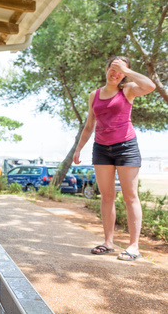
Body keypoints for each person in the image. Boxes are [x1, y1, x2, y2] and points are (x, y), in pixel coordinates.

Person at [73, 56, 156, 261]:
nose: (116, 73)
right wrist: (78, 149)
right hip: (101, 149)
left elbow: (150, 86)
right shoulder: (94, 95)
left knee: (130, 196)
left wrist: (126, 72)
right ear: (106, 69)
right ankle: (108, 242)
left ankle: (133, 246)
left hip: (126, 147)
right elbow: (90, 124)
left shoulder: (127, 90)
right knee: (107, 196)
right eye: (113, 67)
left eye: (120, 70)